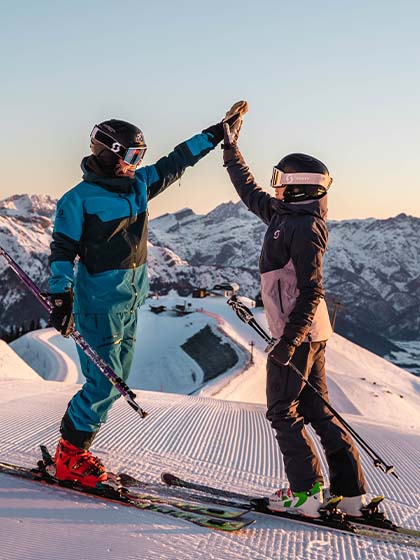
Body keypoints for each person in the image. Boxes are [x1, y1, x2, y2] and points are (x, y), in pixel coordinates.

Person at [48, 104, 244, 487]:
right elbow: (61, 252)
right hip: (99, 306)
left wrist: (215, 133)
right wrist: (61, 297)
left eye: (141, 156)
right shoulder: (78, 200)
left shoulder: (138, 185)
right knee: (104, 382)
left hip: (130, 302)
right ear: (109, 154)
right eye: (133, 156)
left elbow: (177, 161)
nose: (138, 164)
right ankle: (70, 454)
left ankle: (74, 449)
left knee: (116, 379)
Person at [222, 115, 368, 518]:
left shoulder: (304, 229)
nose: (275, 184)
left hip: (299, 334)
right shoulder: (285, 216)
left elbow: (311, 290)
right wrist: (230, 149)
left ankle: (306, 493)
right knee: (316, 409)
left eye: (281, 178)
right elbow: (249, 193)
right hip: (309, 332)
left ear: (299, 185)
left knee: (281, 409)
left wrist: (288, 341)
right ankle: (349, 495)